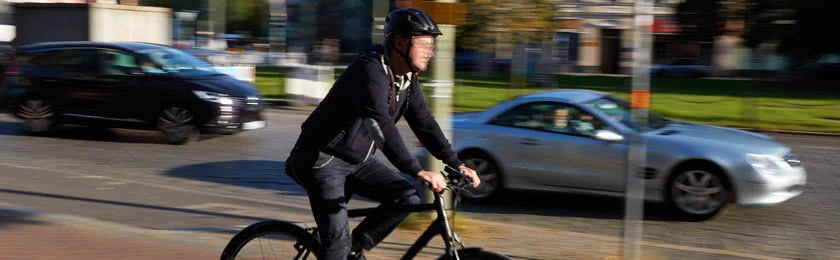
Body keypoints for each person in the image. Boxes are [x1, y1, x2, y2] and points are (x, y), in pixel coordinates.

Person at [284, 8, 481, 260]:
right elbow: (381, 124)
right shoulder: (369, 71)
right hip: (322, 159)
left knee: (406, 198)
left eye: (432, 45)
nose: (430, 51)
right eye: (424, 44)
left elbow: (425, 124)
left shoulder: (406, 79)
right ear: (400, 42)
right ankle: (341, 252)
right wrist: (417, 170)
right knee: (335, 248)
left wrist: (456, 163)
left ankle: (354, 247)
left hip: (356, 160)